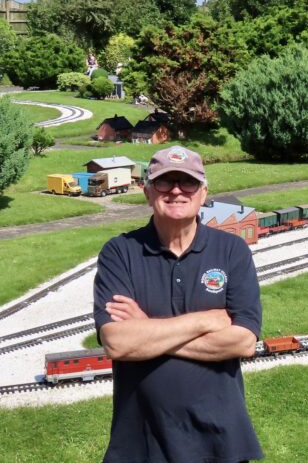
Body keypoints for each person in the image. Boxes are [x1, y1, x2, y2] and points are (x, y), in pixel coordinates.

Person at [93, 145, 264, 462]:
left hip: (221, 441)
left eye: (187, 182)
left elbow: (242, 342)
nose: (176, 191)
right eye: (164, 182)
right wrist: (205, 321)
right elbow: (117, 343)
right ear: (147, 192)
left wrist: (146, 329)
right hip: (141, 443)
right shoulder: (120, 252)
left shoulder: (232, 251)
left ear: (203, 193)